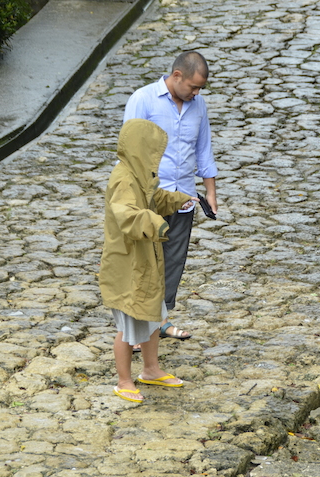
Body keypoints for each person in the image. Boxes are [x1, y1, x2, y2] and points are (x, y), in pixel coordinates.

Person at [99, 118, 199, 403]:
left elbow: (155, 198)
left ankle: (151, 369)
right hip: (127, 265)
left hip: (146, 262)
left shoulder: (142, 176)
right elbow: (127, 213)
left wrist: (180, 200)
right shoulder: (123, 179)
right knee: (128, 328)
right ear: (140, 150)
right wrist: (156, 224)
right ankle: (124, 380)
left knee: (154, 317)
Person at [123, 50, 218, 341]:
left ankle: (159, 322)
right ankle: (135, 330)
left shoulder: (197, 106)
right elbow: (128, 151)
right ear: (177, 76)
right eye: (193, 86)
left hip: (184, 197)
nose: (196, 92)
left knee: (172, 262)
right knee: (142, 264)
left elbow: (203, 150)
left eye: (200, 88)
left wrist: (210, 193)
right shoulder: (143, 100)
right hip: (149, 198)